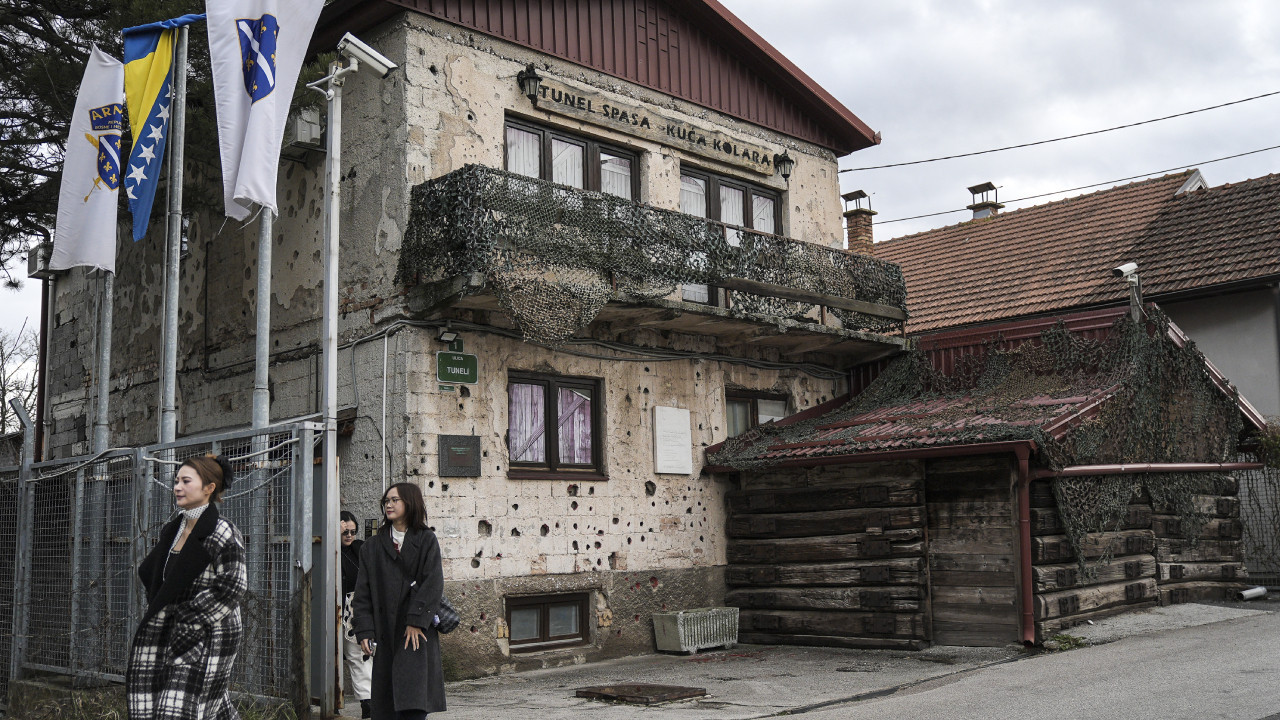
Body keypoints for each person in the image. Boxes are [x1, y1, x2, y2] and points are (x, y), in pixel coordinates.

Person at [127, 454, 248, 720]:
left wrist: (188, 619)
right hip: (172, 632)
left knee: (178, 707)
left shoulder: (223, 531)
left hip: (211, 632)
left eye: (186, 481)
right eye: (176, 481)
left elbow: (232, 585)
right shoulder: (172, 530)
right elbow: (156, 575)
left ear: (209, 488)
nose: (177, 487)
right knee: (205, 706)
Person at [352, 482, 446, 720]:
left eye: (395, 500)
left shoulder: (426, 540)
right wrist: (364, 631)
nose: (389, 505)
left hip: (415, 632)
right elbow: (362, 594)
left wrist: (416, 621)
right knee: (387, 706)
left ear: (410, 502)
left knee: (413, 703)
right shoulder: (372, 547)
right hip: (385, 632)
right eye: (386, 501)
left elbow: (433, 584)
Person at [340, 510, 373, 718]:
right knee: (355, 655)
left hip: (360, 608)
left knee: (363, 654)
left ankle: (369, 701)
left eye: (353, 531)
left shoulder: (360, 548)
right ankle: (366, 701)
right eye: (345, 532)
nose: (350, 536)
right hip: (339, 609)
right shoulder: (330, 551)